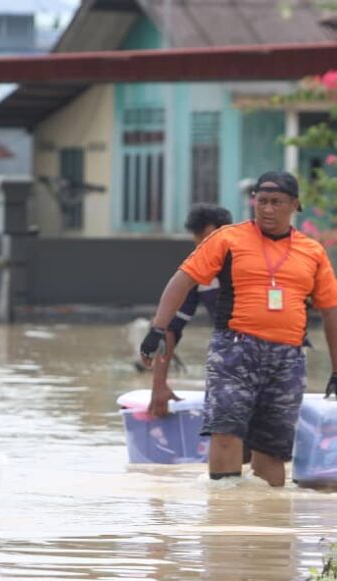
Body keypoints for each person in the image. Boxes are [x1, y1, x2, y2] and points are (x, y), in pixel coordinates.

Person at [140, 171, 337, 486]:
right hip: (234, 350)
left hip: (288, 358)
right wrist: (156, 330)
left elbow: (330, 313)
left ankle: (266, 522)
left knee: (272, 449)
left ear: (295, 205)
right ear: (253, 202)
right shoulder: (228, 239)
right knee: (227, 433)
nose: (268, 209)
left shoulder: (312, 252)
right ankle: (223, 518)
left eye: (276, 202)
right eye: (262, 201)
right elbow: (183, 279)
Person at [147, 204, 233, 417]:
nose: (199, 244)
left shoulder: (252, 261)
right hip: (227, 353)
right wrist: (159, 385)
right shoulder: (198, 272)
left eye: (203, 236)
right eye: (196, 237)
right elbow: (170, 329)